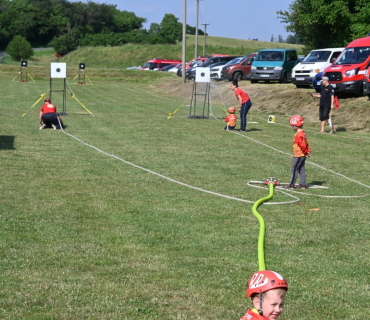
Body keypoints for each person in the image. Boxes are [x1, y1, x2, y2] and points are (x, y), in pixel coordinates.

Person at [285, 115, 310, 190]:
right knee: (301, 169)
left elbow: (302, 145)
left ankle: (291, 185)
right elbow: (306, 143)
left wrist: (305, 152)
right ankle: (302, 184)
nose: (292, 128)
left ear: (296, 126)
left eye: (292, 126)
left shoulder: (298, 135)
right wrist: (308, 151)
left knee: (294, 169)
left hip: (299, 155)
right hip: (303, 154)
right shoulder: (303, 133)